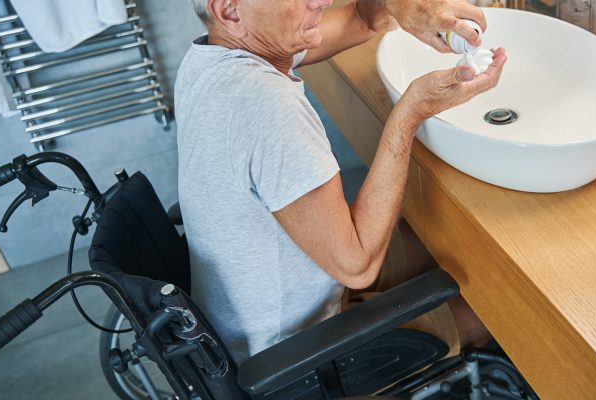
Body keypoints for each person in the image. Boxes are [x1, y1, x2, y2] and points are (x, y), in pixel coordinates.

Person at [175, 0, 507, 363]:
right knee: (499, 308)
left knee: (450, 244)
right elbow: (358, 266)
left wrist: (407, 10)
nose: (322, 1)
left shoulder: (212, 56)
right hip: (296, 355)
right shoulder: (265, 105)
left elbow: (360, 17)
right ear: (230, 12)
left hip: (264, 313)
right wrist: (410, 113)